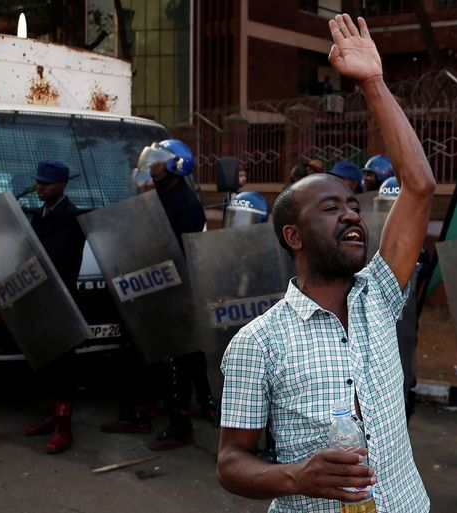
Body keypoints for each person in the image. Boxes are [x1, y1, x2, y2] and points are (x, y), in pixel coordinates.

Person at [216, 13, 434, 513]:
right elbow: (231, 461)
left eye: (353, 206)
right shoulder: (258, 343)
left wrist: (374, 83)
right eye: (331, 208)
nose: (351, 215)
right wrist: (296, 476)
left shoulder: (380, 296)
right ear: (294, 235)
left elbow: (419, 186)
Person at [102, 139, 215, 450]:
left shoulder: (186, 204)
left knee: (175, 362)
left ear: (177, 166)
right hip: (146, 289)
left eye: (158, 161)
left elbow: (173, 252)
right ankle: (137, 412)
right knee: (136, 355)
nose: (151, 167)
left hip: (172, 294)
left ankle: (181, 426)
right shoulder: (159, 196)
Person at [22, 160, 86, 454]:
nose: (39, 186)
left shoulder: (70, 218)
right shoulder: (40, 213)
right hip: (39, 300)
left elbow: (53, 257)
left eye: (45, 183)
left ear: (62, 185)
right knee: (45, 362)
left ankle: (64, 428)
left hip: (61, 301)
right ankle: (50, 417)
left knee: (63, 368)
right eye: (37, 182)